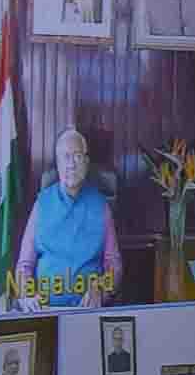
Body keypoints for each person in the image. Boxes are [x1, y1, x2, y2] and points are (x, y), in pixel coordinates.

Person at [15, 124, 119, 306]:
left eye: (78, 156)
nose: (72, 164)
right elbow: (24, 265)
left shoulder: (101, 206)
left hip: (86, 311)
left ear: (86, 162)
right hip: (44, 309)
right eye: (66, 157)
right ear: (58, 163)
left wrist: (102, 292)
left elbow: (113, 264)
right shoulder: (41, 204)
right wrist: (26, 296)